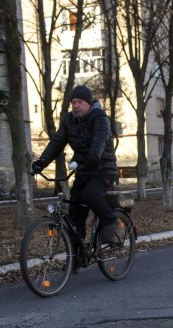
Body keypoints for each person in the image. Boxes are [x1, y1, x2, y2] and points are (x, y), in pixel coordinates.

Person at [31, 84, 120, 245]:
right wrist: (42, 162)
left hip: (104, 169)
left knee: (91, 195)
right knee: (75, 212)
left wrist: (94, 155)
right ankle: (77, 258)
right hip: (84, 170)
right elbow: (57, 142)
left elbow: (100, 138)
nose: (76, 106)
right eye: (73, 102)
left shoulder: (99, 117)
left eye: (79, 102)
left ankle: (110, 221)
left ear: (89, 103)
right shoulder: (68, 120)